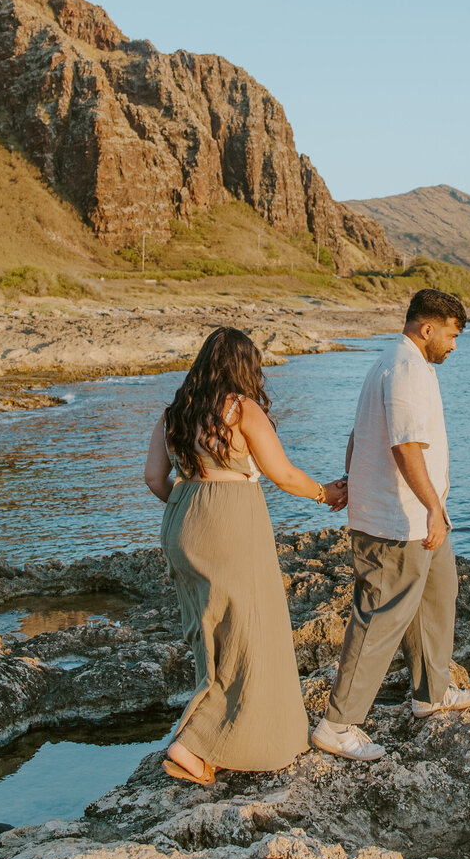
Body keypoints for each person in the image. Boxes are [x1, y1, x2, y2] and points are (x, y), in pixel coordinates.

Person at [144, 326, 347, 785]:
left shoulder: (173, 412)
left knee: (209, 632)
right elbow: (284, 474)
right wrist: (324, 492)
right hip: (230, 522)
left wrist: (190, 508)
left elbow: (155, 479)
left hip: (181, 520)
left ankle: (219, 740)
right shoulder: (240, 409)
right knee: (247, 630)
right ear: (243, 367)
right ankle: (196, 743)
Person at [311, 288, 470, 762]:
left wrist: (349, 477)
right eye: (451, 335)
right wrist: (432, 507)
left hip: (414, 515)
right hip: (397, 520)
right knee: (380, 618)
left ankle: (432, 693)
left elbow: (358, 434)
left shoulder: (399, 363)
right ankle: (337, 725)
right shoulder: (406, 368)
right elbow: (405, 446)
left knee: (437, 595)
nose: (454, 345)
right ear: (426, 328)